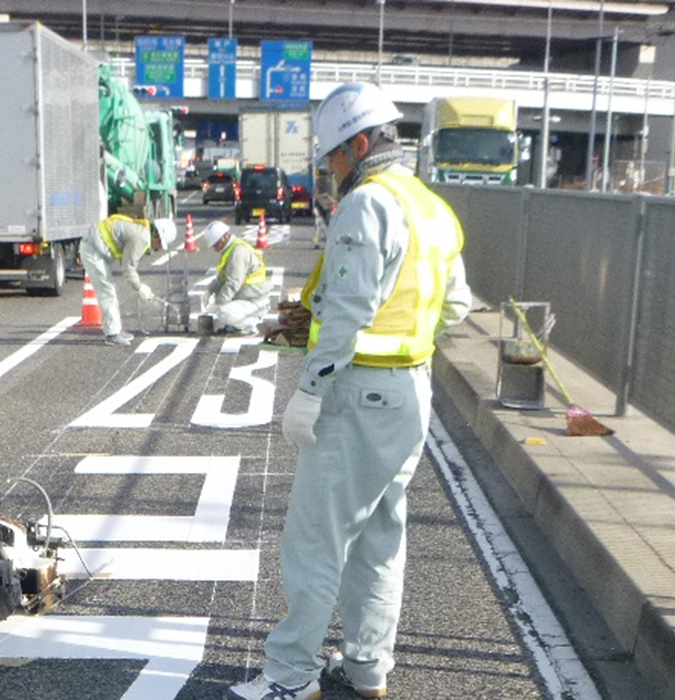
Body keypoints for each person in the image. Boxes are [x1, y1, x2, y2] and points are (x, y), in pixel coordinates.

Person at [227, 82, 471, 700]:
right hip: (411, 393)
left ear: (360, 145)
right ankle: (367, 668)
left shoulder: (368, 204)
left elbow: (345, 309)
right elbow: (458, 307)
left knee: (316, 537)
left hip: (357, 396)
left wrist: (310, 388)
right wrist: (408, 344)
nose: (330, 170)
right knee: (380, 538)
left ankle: (291, 674)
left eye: (334, 156)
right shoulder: (432, 206)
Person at [79, 213, 177, 346]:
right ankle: (112, 334)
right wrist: (139, 287)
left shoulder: (142, 229)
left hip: (93, 245)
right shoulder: (142, 238)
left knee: (109, 288)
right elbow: (128, 268)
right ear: (157, 236)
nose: (157, 248)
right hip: (92, 249)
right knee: (107, 290)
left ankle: (115, 329)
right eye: (160, 244)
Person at [200, 220, 272, 336]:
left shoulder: (238, 253)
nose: (214, 248)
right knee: (223, 302)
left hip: (255, 301)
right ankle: (235, 325)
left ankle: (251, 325)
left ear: (223, 238)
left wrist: (219, 304)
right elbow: (222, 278)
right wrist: (209, 291)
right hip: (248, 298)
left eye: (215, 244)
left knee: (223, 311)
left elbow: (233, 283)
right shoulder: (231, 250)